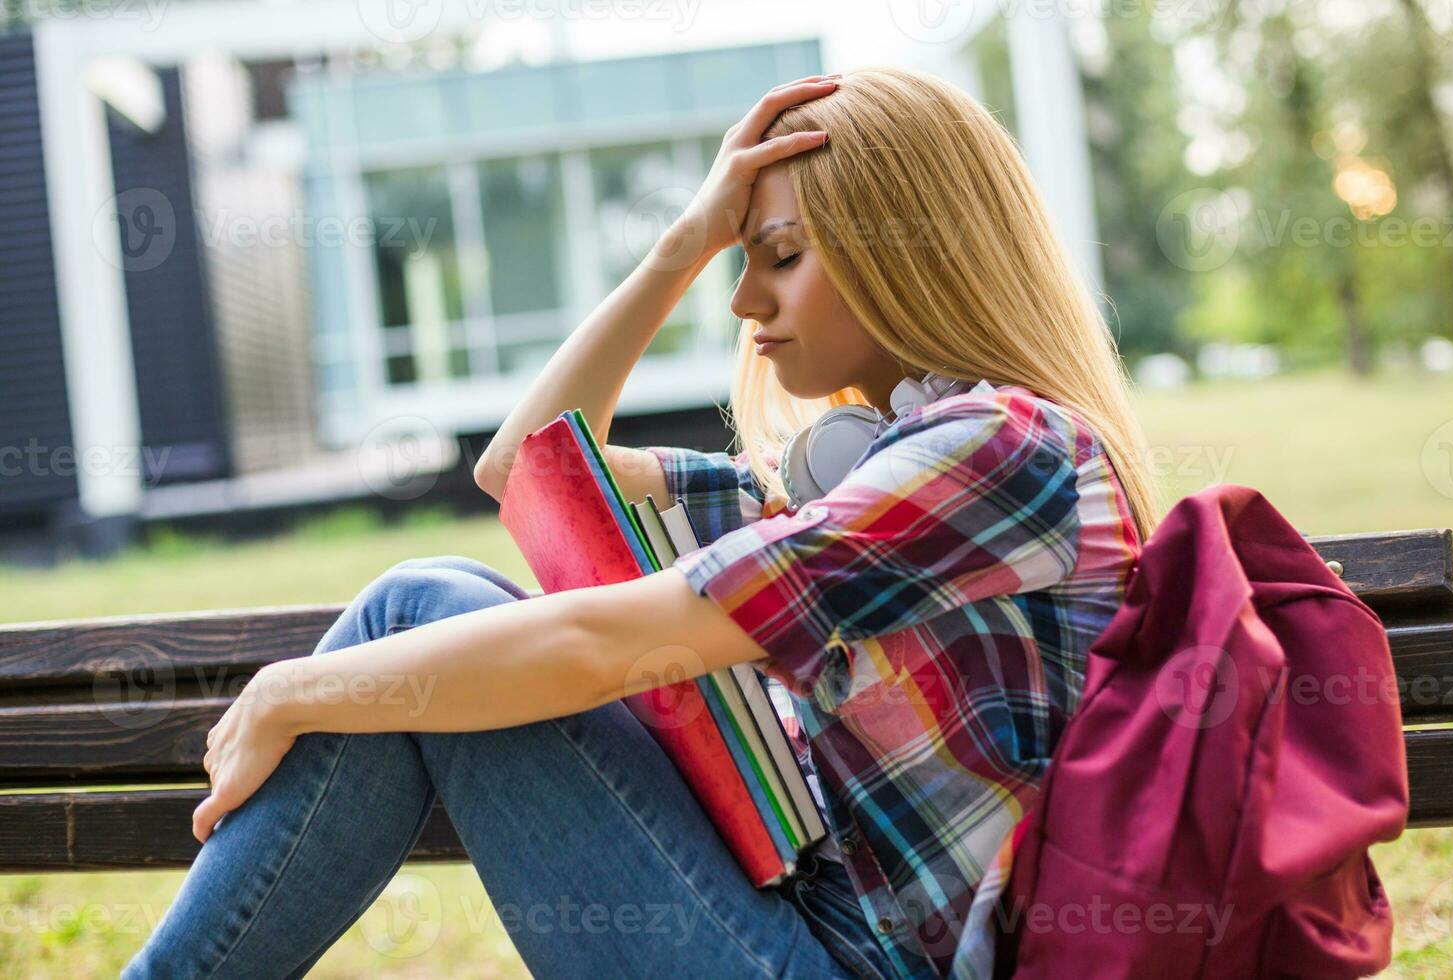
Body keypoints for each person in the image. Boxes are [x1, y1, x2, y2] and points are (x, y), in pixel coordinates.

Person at [124, 66, 1157, 980]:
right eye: (740, 259)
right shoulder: (874, 466)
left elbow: (595, 645)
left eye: (781, 253)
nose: (745, 299)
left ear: (911, 252)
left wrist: (290, 687)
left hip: (847, 958)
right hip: (805, 923)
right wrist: (683, 241)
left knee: (414, 610)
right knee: (425, 606)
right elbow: (523, 468)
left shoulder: (996, 455)